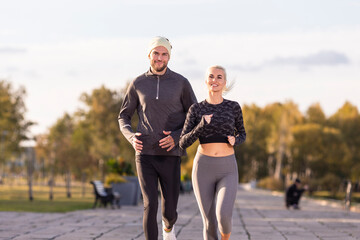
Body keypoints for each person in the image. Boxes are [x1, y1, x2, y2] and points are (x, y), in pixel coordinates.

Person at [118, 36, 197, 240]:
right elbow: (123, 116)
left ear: (169, 57)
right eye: (156, 53)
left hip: (171, 154)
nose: (159, 58)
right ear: (149, 55)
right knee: (150, 203)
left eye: (164, 54)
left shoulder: (181, 83)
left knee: (169, 210)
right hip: (145, 153)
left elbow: (194, 116)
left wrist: (177, 137)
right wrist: (130, 136)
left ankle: (168, 228)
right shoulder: (138, 83)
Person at [179, 65, 246, 240]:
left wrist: (236, 140)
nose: (214, 80)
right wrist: (201, 125)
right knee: (209, 222)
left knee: (223, 216)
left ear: (224, 83)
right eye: (211, 76)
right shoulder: (196, 109)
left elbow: (242, 133)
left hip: (227, 168)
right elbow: (183, 142)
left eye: (219, 77)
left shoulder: (233, 107)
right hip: (203, 168)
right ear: (206, 81)